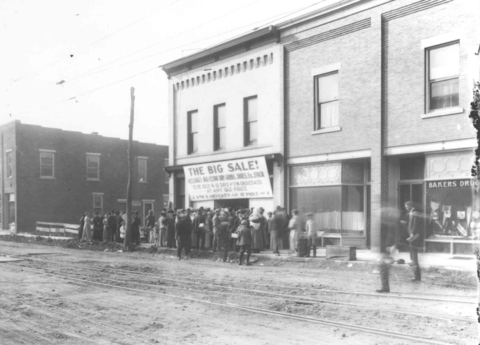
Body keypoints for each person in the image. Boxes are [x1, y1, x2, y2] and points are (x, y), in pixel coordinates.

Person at [405, 201, 422, 282]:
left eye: (406, 206)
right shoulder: (412, 213)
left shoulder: (414, 213)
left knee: (414, 257)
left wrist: (412, 234)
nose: (406, 208)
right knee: (413, 257)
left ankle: (417, 277)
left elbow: (415, 225)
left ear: (410, 206)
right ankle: (416, 276)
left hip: (414, 237)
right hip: (412, 236)